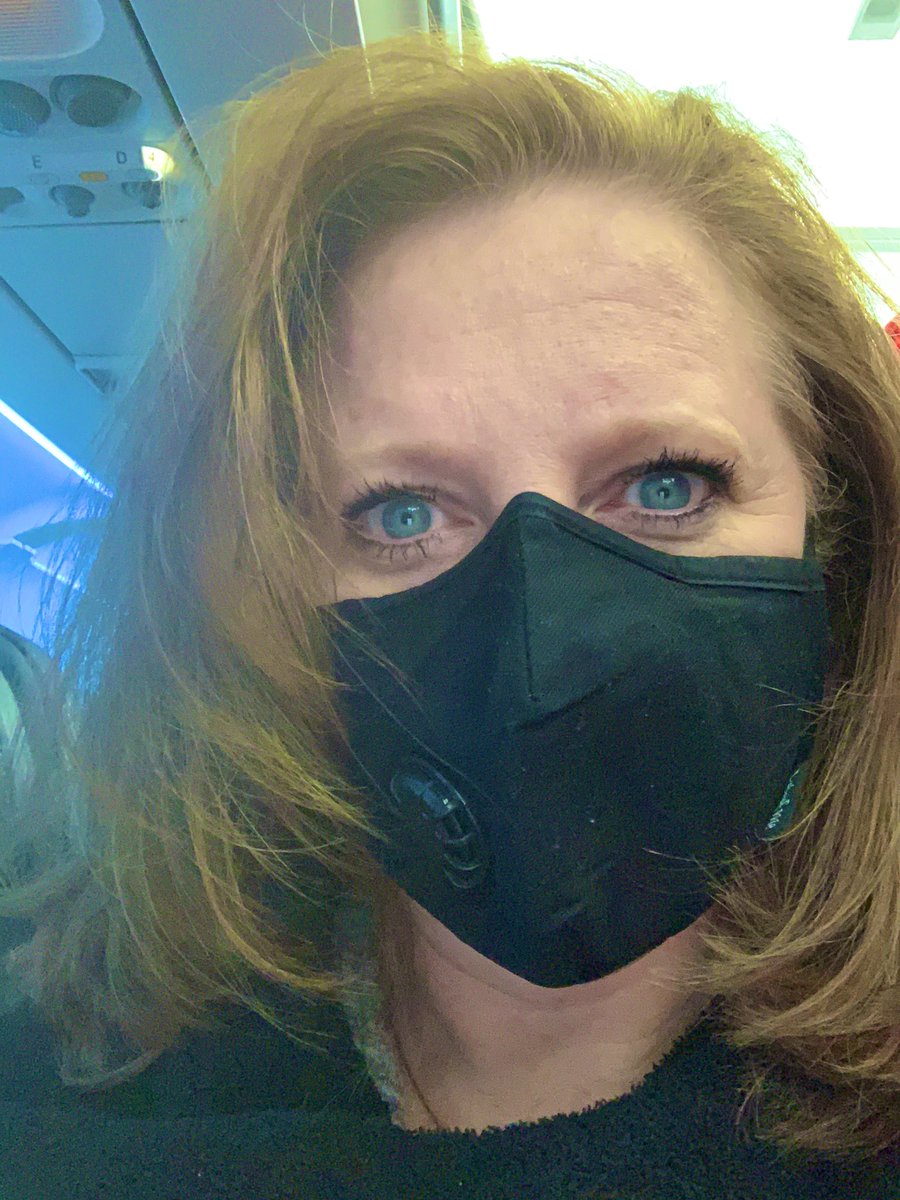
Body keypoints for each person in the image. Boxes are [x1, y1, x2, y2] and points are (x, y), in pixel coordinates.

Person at [0, 31, 897, 1199]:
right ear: (254, 590)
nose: (545, 641)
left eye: (665, 485)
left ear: (838, 534)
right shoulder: (69, 1098)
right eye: (403, 510)